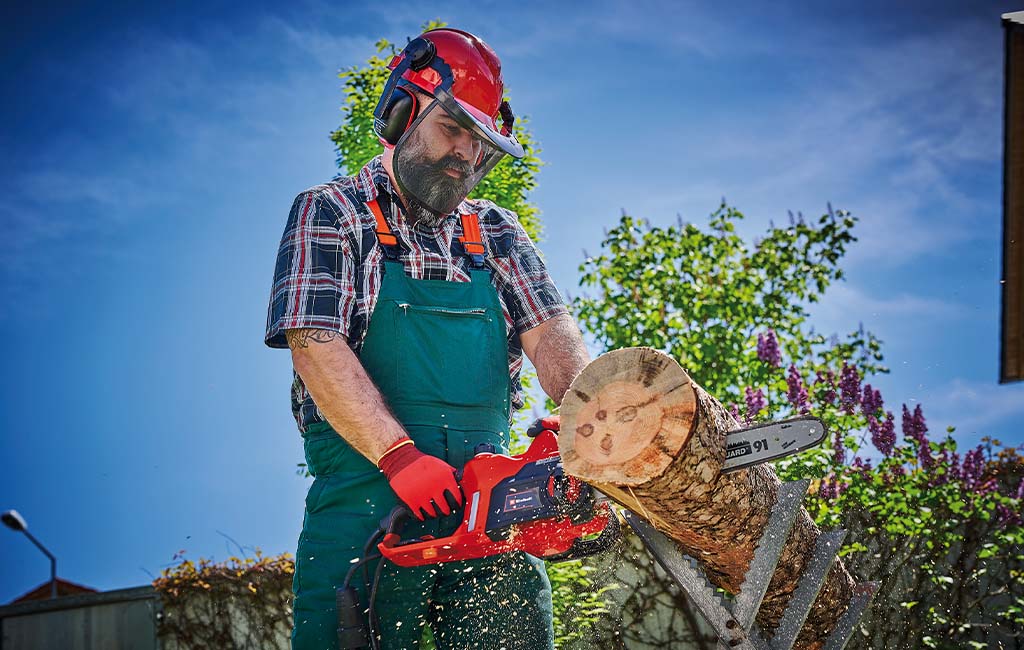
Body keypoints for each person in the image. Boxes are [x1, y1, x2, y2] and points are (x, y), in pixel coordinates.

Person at [264, 27, 590, 650]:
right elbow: (313, 341)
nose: (467, 157)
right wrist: (397, 455)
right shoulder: (332, 212)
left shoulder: (496, 233)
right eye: (454, 131)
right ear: (402, 110)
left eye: (482, 146)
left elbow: (553, 335)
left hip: (491, 511)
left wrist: (588, 421)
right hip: (367, 507)